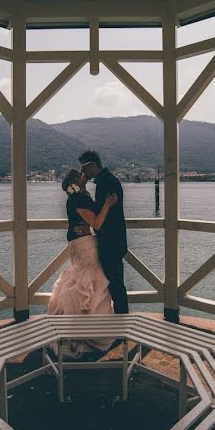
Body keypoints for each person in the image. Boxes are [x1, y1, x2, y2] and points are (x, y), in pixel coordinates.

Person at [47, 169, 118, 356]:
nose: (84, 175)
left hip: (79, 243)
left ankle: (81, 324)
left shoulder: (78, 197)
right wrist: (108, 205)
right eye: (81, 175)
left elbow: (87, 223)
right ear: (76, 182)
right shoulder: (78, 199)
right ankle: (85, 329)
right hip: (84, 245)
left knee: (81, 279)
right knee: (86, 281)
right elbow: (96, 223)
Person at [78, 150, 129, 314]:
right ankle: (121, 325)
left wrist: (91, 229)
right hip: (112, 242)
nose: (82, 173)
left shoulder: (107, 183)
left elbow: (109, 217)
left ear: (92, 166)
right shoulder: (106, 181)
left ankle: (122, 327)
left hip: (111, 243)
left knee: (116, 286)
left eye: (84, 169)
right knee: (114, 285)